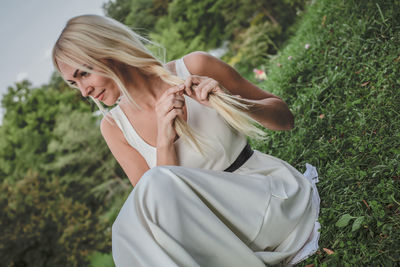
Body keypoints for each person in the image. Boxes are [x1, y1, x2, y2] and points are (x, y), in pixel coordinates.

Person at [52, 14, 321, 267]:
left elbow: (285, 119)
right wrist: (164, 138)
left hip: (267, 201)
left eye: (84, 73)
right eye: (73, 84)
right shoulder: (113, 127)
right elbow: (161, 212)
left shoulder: (194, 67)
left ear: (109, 52)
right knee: (127, 225)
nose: (84, 91)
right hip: (212, 235)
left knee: (151, 186)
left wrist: (230, 101)